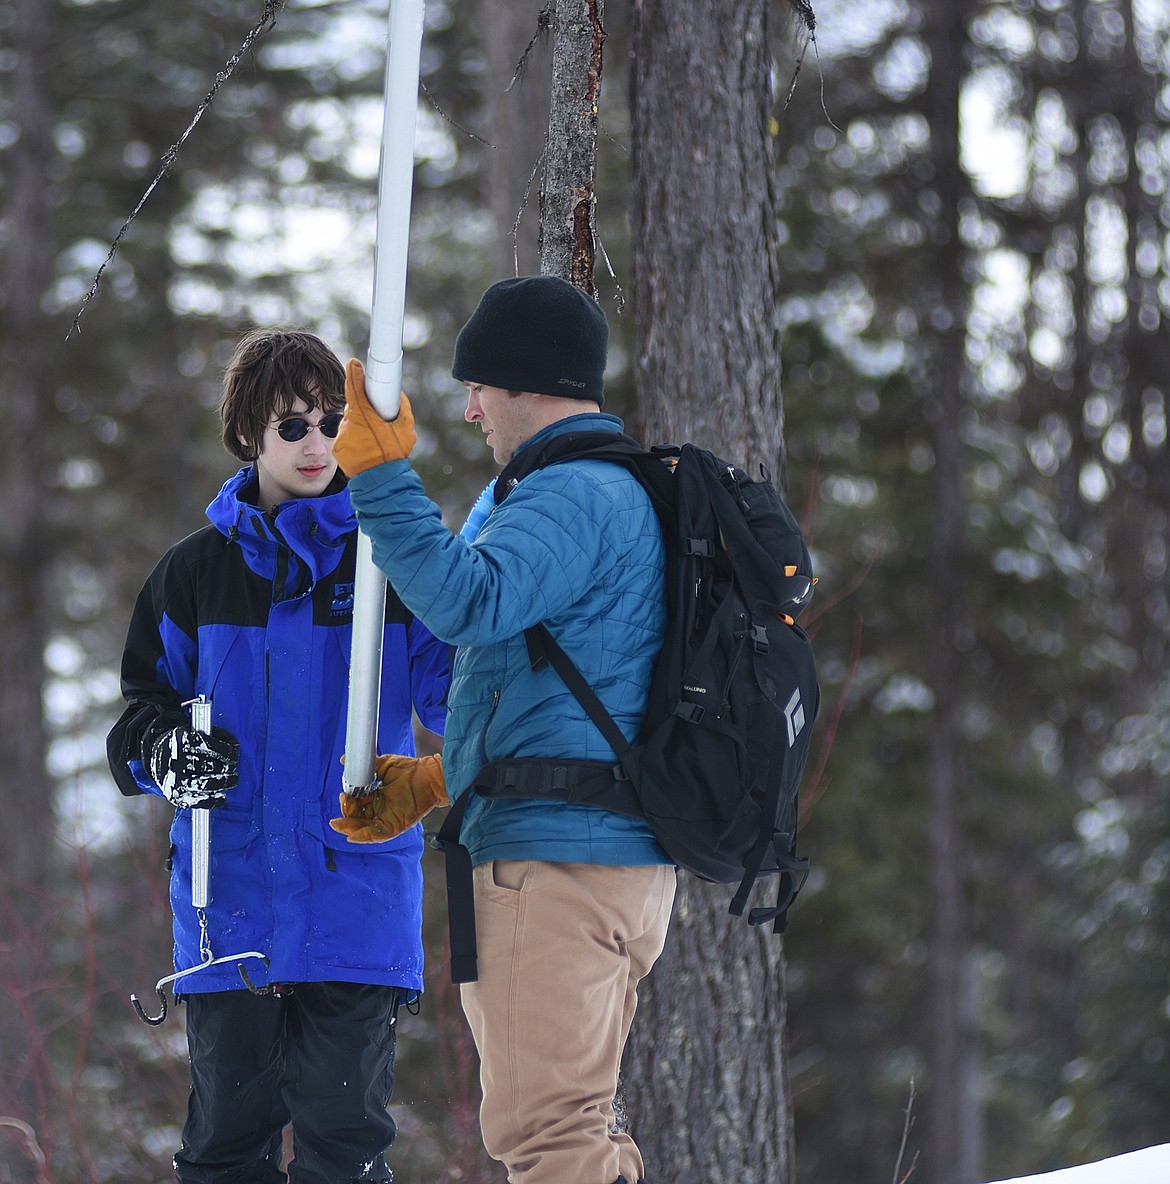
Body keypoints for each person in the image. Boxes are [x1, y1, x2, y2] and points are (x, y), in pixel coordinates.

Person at [327, 276, 677, 1184]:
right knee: (576, 1131)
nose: (473, 408)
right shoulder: (600, 491)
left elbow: (465, 601)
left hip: (555, 865)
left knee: (549, 1139)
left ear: (528, 381)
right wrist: (443, 781)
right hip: (591, 848)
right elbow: (577, 691)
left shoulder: (575, 495)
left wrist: (380, 476)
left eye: (479, 384)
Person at [106, 328, 450, 1184]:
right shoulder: (194, 575)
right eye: (292, 425)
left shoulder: (392, 564)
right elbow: (137, 718)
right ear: (247, 434)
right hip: (231, 912)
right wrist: (167, 753)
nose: (317, 443)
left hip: (354, 904)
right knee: (226, 1148)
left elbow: (460, 697)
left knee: (345, 1145)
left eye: (334, 422)